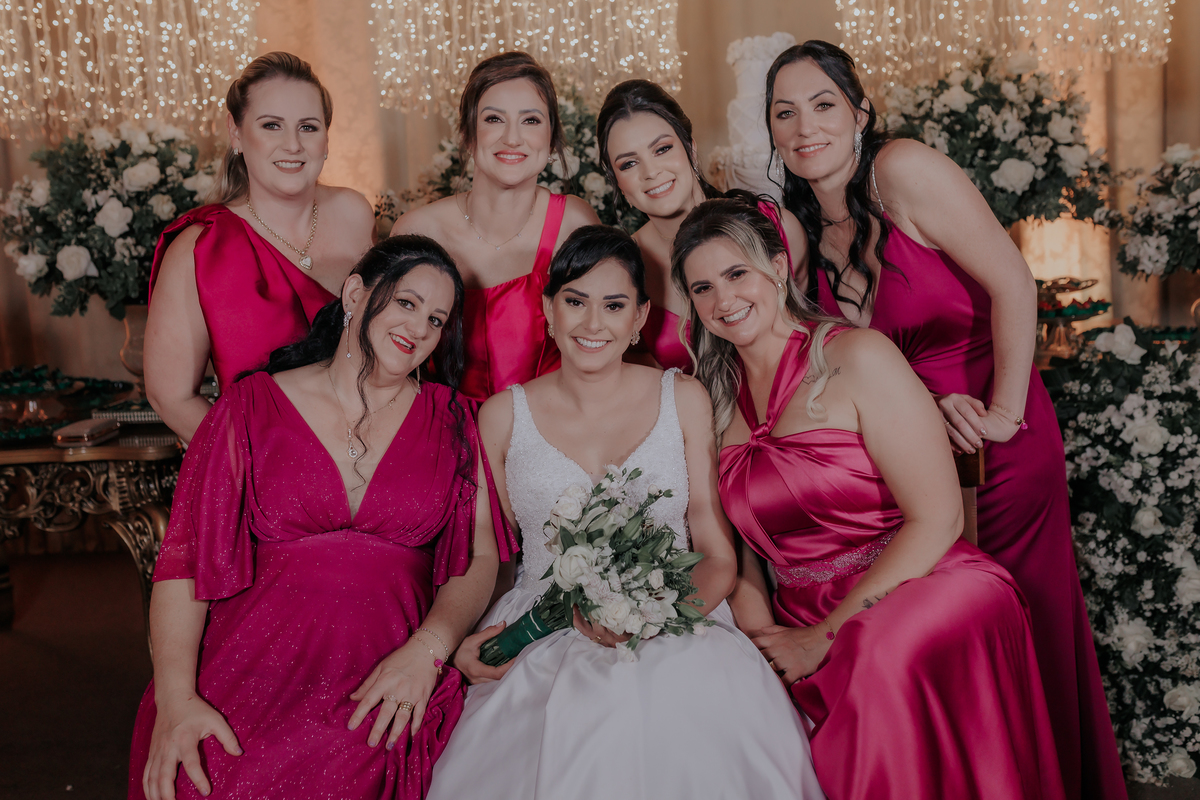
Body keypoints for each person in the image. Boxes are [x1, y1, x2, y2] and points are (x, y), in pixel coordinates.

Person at [764, 40, 1124, 799]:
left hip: (998, 436)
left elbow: (1013, 282)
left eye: (823, 105)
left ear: (861, 113)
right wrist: (924, 411)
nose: (805, 127)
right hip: (909, 460)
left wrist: (1006, 414)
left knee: (1027, 622)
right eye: (784, 113)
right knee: (956, 645)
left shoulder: (903, 171)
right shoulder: (799, 235)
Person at [675, 198, 1065, 800]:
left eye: (736, 273)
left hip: (922, 578)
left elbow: (938, 518)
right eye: (703, 287)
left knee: (875, 655)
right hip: (797, 606)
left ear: (777, 267)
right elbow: (736, 546)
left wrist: (827, 634)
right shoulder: (711, 395)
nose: (723, 300)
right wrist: (758, 636)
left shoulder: (858, 355)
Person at [427, 226, 825, 800]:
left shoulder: (682, 397)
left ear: (640, 318)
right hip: (541, 622)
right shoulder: (500, 416)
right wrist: (462, 639)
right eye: (575, 302)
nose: (594, 323)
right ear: (548, 309)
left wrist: (651, 617)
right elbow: (489, 557)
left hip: (680, 613)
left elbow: (716, 555)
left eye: (614, 306)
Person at [129, 236, 508, 800]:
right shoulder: (248, 406)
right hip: (251, 670)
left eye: (436, 318)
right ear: (355, 293)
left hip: (387, 678)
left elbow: (478, 554)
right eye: (406, 303)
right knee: (212, 776)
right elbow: (185, 561)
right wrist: (177, 698)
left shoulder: (455, 421)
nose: (419, 328)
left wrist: (429, 650)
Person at [145, 51, 375, 443]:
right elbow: (171, 397)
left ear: (326, 139)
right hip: (265, 467)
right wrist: (255, 464)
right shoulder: (198, 248)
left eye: (308, 127)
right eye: (272, 125)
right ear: (236, 133)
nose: (293, 145)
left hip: (375, 454)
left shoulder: (355, 213)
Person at [391, 52, 599, 401]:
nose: (512, 138)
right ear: (468, 136)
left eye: (530, 120)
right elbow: (389, 358)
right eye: (494, 119)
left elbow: (602, 342)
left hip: (556, 425)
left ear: (551, 138)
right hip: (442, 425)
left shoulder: (574, 223)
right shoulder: (418, 231)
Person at [597, 79, 806, 372]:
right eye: (628, 164)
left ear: (691, 149)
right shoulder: (623, 270)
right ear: (617, 182)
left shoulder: (777, 226)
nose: (651, 172)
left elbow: (813, 328)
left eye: (662, 149)